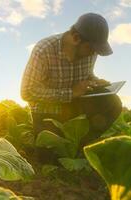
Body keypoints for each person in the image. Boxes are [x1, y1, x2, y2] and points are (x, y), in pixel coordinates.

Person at [20, 13, 122, 162]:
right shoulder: (44, 50)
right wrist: (70, 93)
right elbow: (27, 91)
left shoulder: (89, 52)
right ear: (76, 38)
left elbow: (87, 74)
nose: (94, 53)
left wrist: (95, 81)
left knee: (112, 102)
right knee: (51, 159)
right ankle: (61, 147)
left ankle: (83, 146)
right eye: (91, 48)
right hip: (48, 112)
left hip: (75, 107)